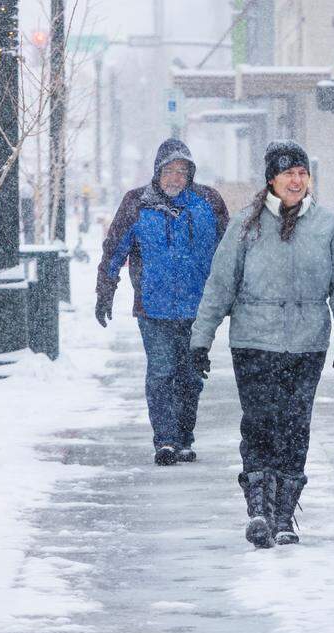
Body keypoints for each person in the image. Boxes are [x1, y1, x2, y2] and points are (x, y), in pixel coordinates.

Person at [189, 140, 334, 548]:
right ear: (271, 180)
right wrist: (201, 340)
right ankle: (259, 511)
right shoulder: (245, 225)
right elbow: (220, 285)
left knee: (295, 427)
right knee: (260, 424)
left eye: (302, 173)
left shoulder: (326, 225)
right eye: (288, 174)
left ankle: (284, 515)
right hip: (254, 341)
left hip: (307, 343)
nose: (296, 181)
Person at [95, 139, 229, 466]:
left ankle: (184, 438)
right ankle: (165, 440)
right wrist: (105, 289)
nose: (175, 178)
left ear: (190, 174)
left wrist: (234, 295)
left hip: (198, 310)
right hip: (152, 308)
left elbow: (230, 254)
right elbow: (114, 249)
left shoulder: (208, 202)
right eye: (169, 171)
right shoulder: (136, 204)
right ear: (157, 172)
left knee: (191, 376)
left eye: (182, 171)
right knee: (161, 371)